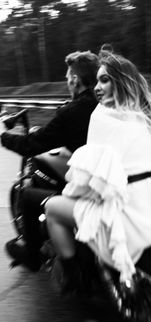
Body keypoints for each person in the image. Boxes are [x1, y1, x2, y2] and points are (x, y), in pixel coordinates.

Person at [45, 51, 151, 300]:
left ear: (120, 83)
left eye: (105, 80)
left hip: (126, 214)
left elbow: (92, 180)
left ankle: (73, 278)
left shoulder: (102, 116)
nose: (97, 87)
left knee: (52, 209)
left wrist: (70, 193)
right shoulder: (146, 117)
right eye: (97, 81)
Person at [2, 50, 99, 271]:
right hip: (114, 177)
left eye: (67, 78)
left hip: (91, 184)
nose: (67, 82)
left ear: (75, 79)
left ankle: (30, 250)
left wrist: (4, 137)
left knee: (27, 195)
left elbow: (33, 144)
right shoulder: (106, 104)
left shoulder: (72, 112)